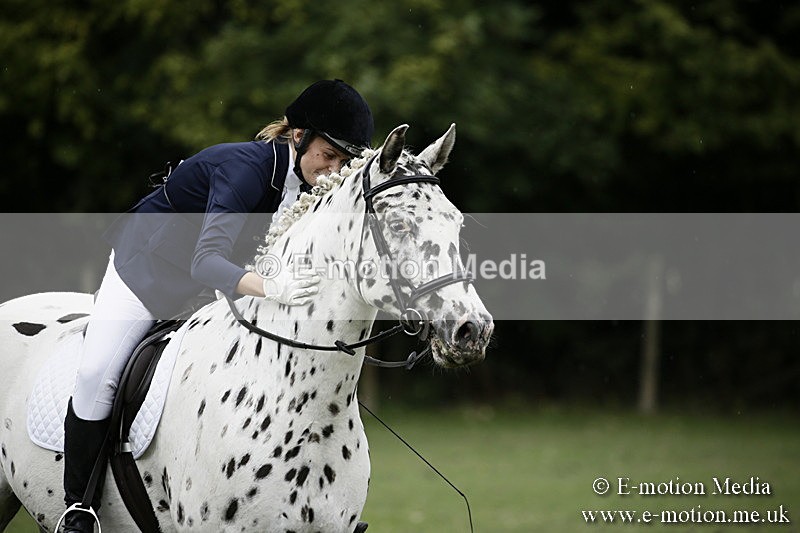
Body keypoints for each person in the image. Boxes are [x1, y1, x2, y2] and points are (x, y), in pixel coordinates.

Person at [58, 79, 374, 532]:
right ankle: (78, 507)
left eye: (343, 162)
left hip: (208, 290)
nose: (332, 170)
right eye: (329, 156)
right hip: (145, 275)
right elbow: (207, 261)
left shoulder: (310, 188)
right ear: (298, 136)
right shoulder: (242, 167)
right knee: (96, 375)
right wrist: (273, 286)